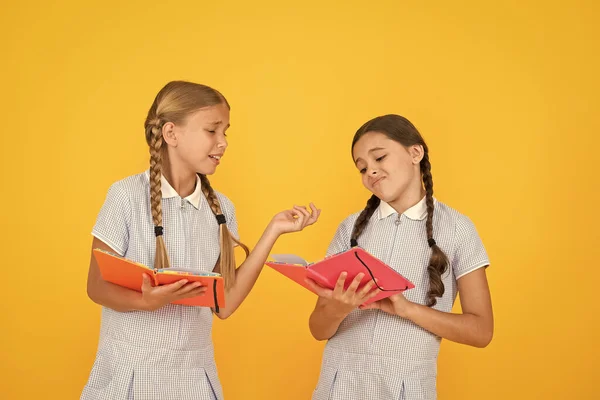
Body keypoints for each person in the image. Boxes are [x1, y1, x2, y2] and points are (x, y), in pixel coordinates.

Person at [82, 80, 320, 399]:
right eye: (212, 130)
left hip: (193, 378)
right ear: (171, 134)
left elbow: (225, 305)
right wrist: (145, 302)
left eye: (226, 132)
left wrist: (273, 231)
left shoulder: (222, 209)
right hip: (131, 375)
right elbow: (96, 286)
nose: (222, 143)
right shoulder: (125, 196)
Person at [307, 114, 492, 400]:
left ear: (415, 152)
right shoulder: (350, 228)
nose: (371, 171)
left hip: (407, 388)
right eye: (362, 168)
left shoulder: (457, 228)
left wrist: (407, 309)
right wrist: (339, 308)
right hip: (339, 384)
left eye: (379, 158)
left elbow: (481, 331)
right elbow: (318, 330)